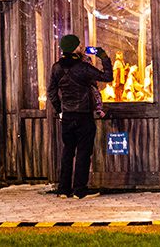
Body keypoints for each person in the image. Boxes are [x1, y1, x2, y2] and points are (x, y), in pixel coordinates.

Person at [47, 35, 113, 199]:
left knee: (68, 151)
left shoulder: (56, 68)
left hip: (67, 116)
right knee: (84, 152)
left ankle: (63, 189)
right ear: (74, 48)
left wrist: (59, 109)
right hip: (83, 116)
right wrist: (102, 55)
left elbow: (51, 92)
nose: (82, 47)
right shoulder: (83, 67)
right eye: (79, 45)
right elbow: (107, 77)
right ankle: (79, 190)